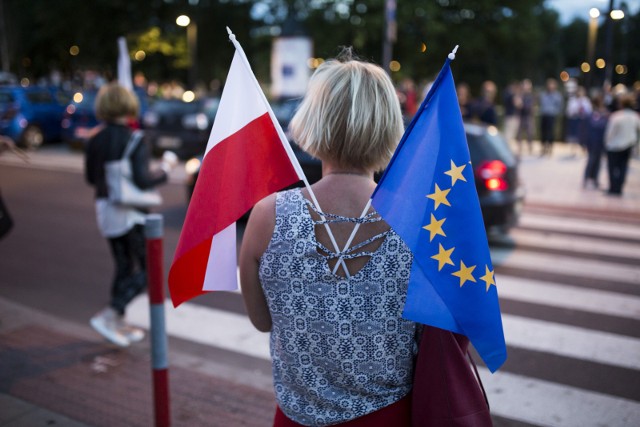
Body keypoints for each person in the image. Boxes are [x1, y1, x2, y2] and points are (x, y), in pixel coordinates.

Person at [239, 49, 417, 426]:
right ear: (389, 126)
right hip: (391, 417)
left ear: (313, 121)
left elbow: (262, 321)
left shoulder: (267, 216)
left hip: (296, 417)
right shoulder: (416, 220)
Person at [85, 82, 175, 347]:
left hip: (106, 209)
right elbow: (144, 180)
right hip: (131, 213)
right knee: (148, 270)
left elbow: (91, 178)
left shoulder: (94, 139)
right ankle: (111, 313)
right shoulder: (134, 139)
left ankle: (116, 320)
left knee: (123, 265)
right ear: (129, 106)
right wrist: (167, 168)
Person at [604, 94, 640, 196]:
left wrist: (607, 143)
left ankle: (613, 187)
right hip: (628, 145)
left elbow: (609, 133)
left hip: (614, 146)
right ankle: (619, 188)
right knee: (623, 167)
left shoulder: (616, 116)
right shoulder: (635, 117)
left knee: (612, 168)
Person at [583, 95, 609, 190]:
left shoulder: (603, 114)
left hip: (600, 141)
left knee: (598, 161)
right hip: (593, 141)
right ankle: (586, 178)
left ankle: (595, 179)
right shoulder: (593, 114)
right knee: (591, 160)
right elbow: (592, 127)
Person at [538, 78, 564, 156]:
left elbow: (560, 106)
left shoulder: (557, 96)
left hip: (551, 115)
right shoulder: (543, 94)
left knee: (550, 132)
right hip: (544, 115)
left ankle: (550, 148)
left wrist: (555, 112)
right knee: (543, 132)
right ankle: (543, 147)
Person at [565, 86, 592, 156]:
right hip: (575, 119)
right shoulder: (572, 100)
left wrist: (583, 110)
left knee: (583, 135)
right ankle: (573, 149)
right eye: (578, 92)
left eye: (581, 92)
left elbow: (589, 111)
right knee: (574, 136)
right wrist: (576, 110)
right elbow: (569, 111)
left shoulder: (586, 100)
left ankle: (584, 148)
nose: (579, 93)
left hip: (583, 120)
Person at [516, 79, 535, 156]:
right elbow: (517, 105)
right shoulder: (520, 95)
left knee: (530, 133)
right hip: (521, 116)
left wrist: (522, 105)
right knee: (520, 133)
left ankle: (530, 147)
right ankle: (519, 147)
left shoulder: (531, 96)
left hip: (528, 116)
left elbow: (529, 106)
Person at [502, 80, 522, 146]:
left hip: (509, 116)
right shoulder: (512, 94)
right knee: (509, 135)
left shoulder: (506, 93)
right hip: (512, 117)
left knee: (508, 134)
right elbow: (519, 104)